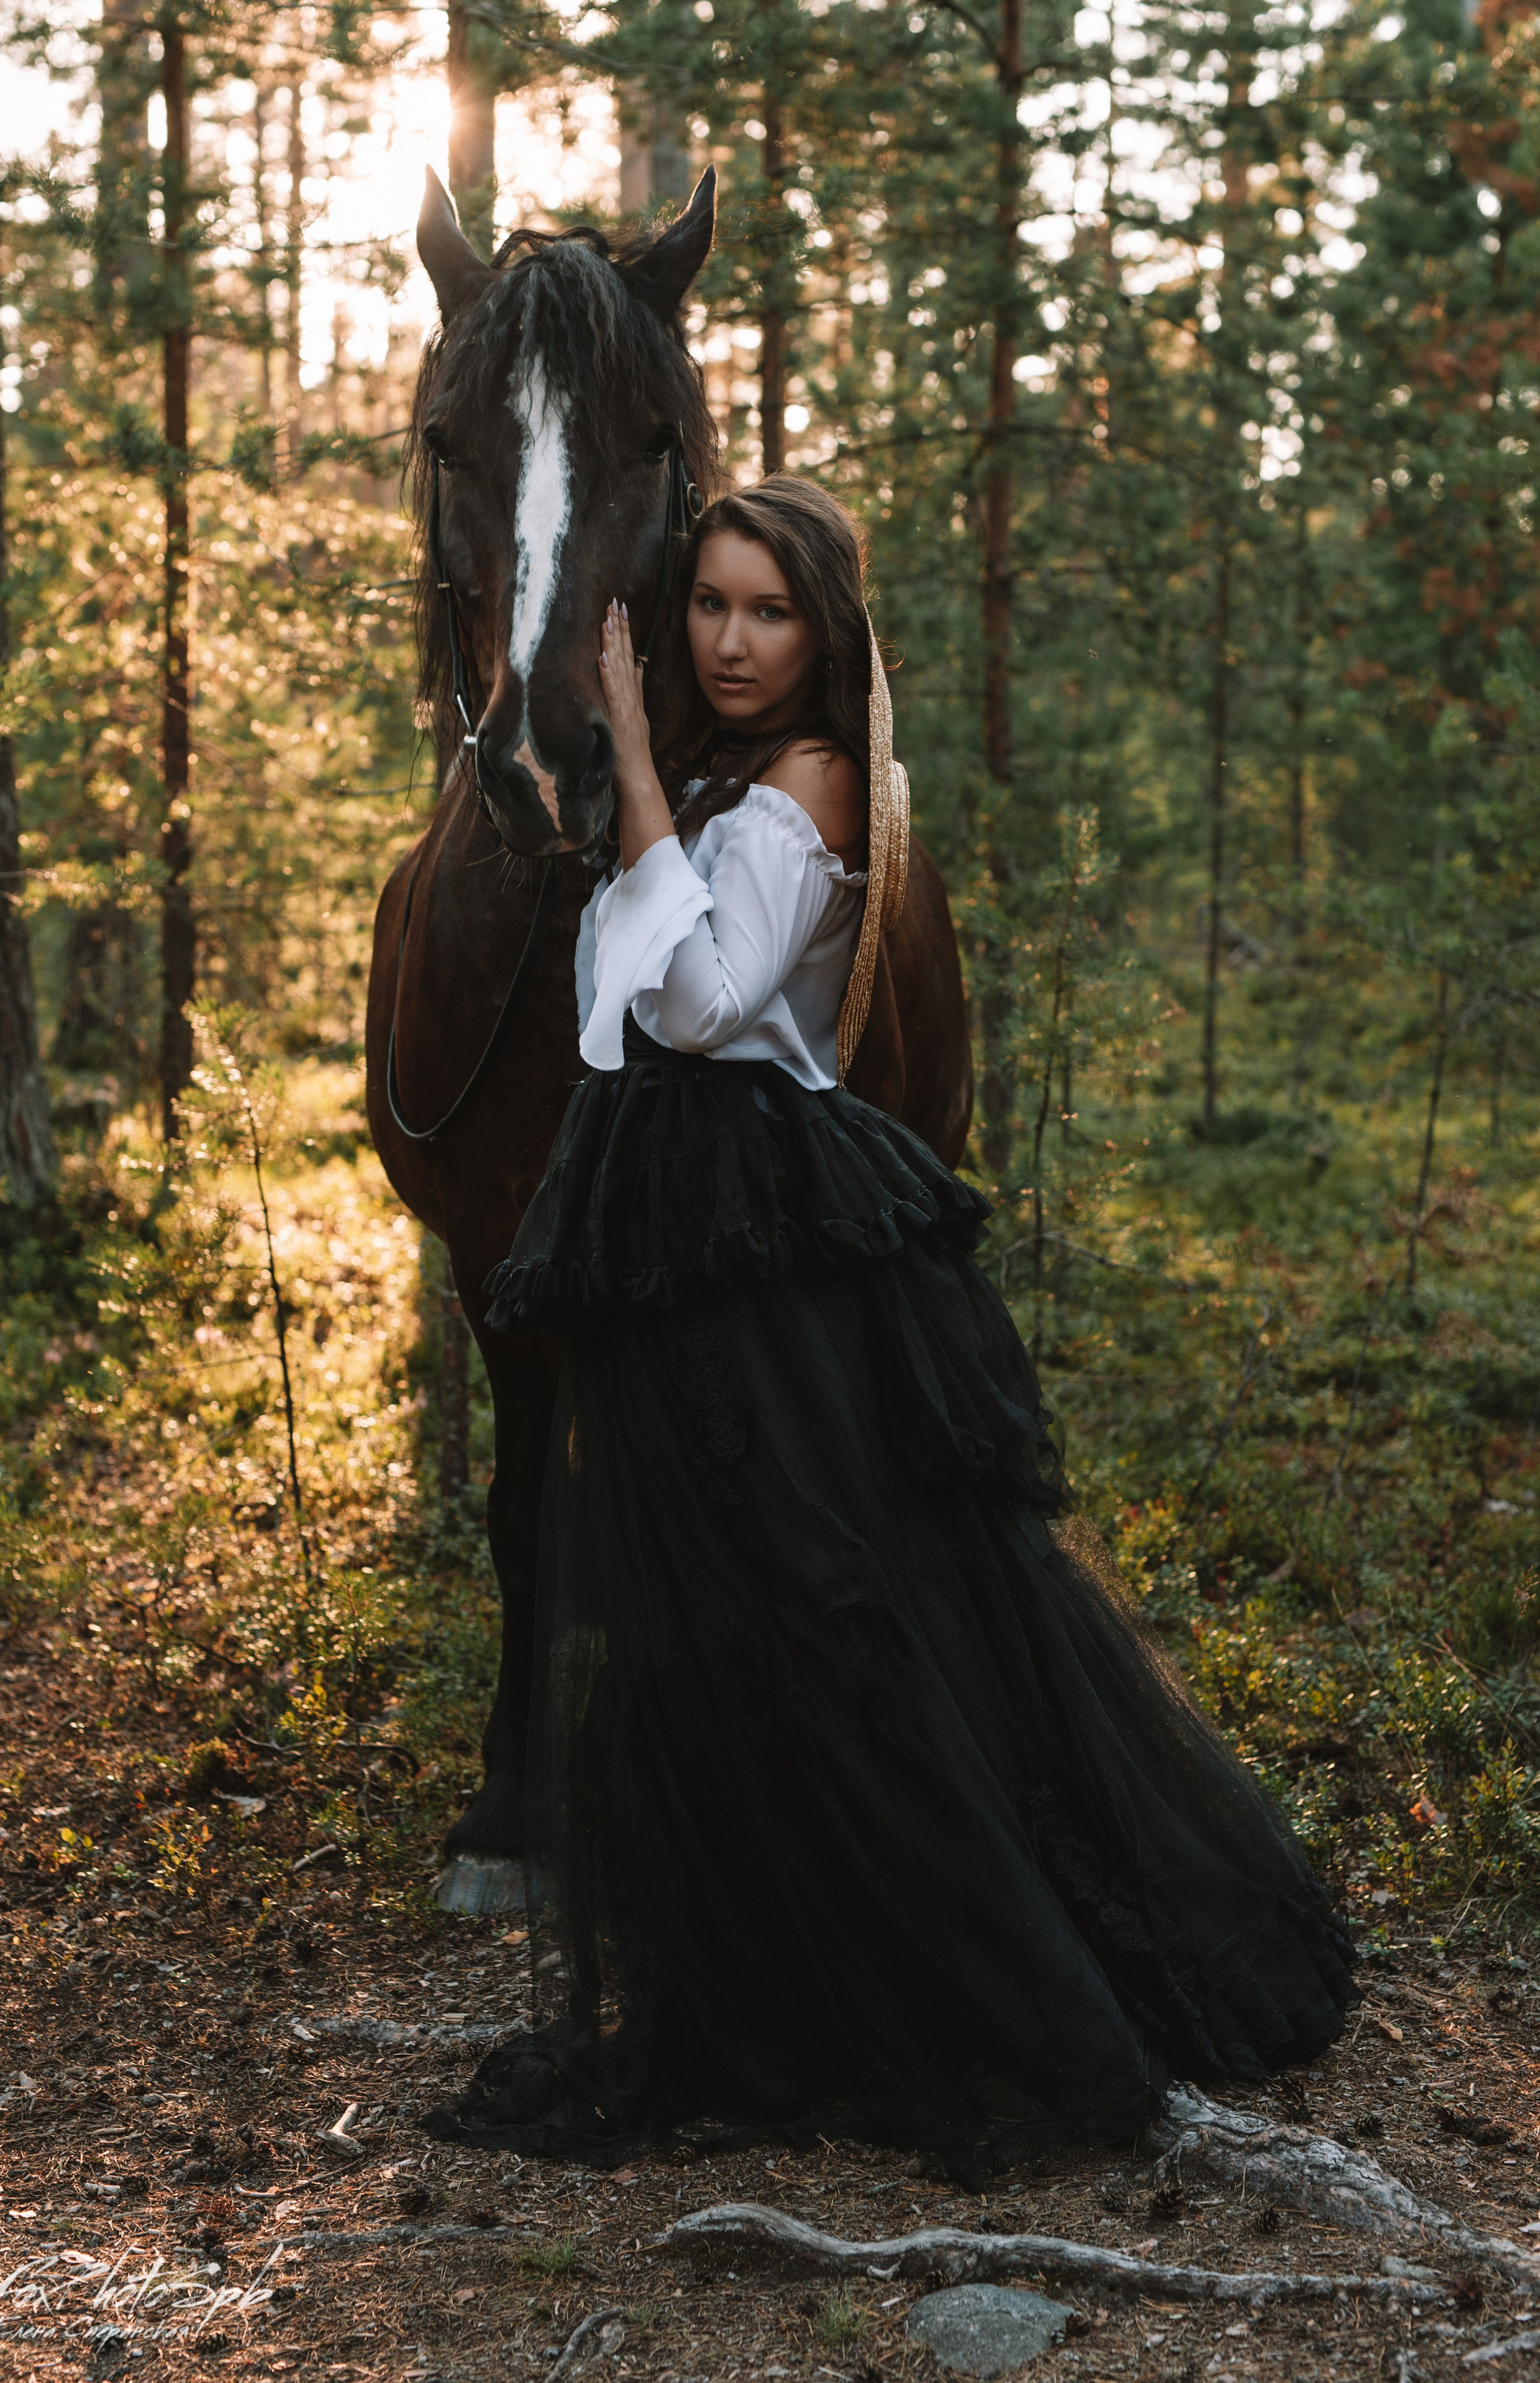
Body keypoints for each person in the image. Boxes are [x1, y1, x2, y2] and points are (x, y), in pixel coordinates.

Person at [425, 476, 1355, 2180]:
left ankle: (983, 1984)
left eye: (766, 611)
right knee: (710, 1624)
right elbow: (614, 1003)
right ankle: (773, 1976)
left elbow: (703, 1006)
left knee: (831, 1608)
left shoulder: (814, 778)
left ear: (825, 629)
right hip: (671, 1209)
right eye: (706, 605)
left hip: (753, 1219)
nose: (728, 641)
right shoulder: (726, 781)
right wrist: (651, 796)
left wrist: (632, 760)